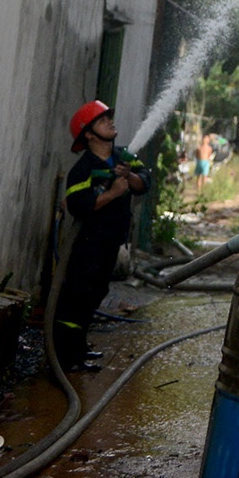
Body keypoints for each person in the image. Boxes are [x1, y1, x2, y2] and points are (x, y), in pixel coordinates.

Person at [57, 101, 148, 370]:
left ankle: (79, 347)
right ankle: (65, 356)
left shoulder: (124, 157)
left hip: (111, 239)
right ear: (88, 133)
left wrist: (129, 177)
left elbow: (145, 181)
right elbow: (78, 205)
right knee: (77, 295)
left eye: (109, 117)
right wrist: (113, 193)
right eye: (102, 119)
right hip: (89, 243)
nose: (110, 121)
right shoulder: (82, 169)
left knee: (96, 292)